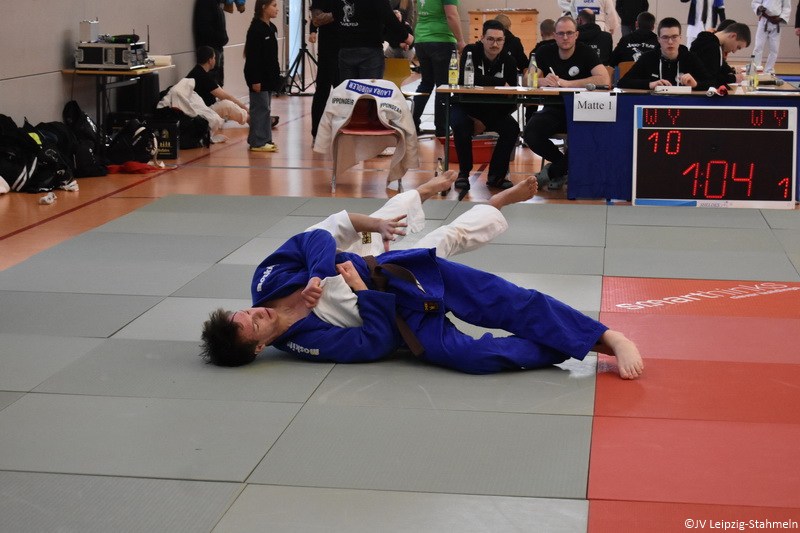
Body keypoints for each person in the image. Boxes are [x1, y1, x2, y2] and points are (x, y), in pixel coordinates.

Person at [200, 172, 645, 379]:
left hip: (397, 271)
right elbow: (373, 343)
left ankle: (607, 336)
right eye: (252, 325)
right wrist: (360, 292)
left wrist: (320, 275)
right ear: (258, 348)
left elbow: (313, 237)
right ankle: (567, 344)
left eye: (245, 313)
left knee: (500, 298)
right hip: (401, 318)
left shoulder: (267, 282)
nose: (255, 313)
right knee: (468, 357)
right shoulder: (305, 343)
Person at [525, 16, 610, 191]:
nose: (565, 37)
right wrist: (542, 81)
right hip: (554, 109)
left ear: (576, 35)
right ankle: (562, 168)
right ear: (554, 35)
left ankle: (553, 171)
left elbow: (604, 79)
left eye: (569, 33)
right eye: (561, 33)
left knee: (584, 139)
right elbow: (527, 80)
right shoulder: (544, 51)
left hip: (582, 110)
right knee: (531, 133)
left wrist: (567, 83)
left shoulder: (586, 52)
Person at [450, 20, 519, 193]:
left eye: (499, 40)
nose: (495, 44)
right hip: (466, 108)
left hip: (493, 112)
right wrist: (499, 82)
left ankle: (496, 175)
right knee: (460, 125)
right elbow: (466, 80)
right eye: (490, 39)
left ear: (504, 40)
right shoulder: (470, 52)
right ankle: (463, 174)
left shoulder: (510, 61)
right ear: (482, 38)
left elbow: (513, 97)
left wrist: (485, 122)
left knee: (512, 128)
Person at [412, 0, 467, 136]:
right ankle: (442, 130)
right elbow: (451, 15)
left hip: (421, 39)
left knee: (426, 83)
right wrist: (460, 41)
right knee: (444, 86)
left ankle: (412, 123)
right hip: (441, 40)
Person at [617, 17, 713, 91]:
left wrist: (696, 84)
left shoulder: (691, 58)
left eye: (674, 37)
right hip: (655, 104)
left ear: (680, 38)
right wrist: (650, 84)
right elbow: (622, 82)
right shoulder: (647, 58)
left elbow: (712, 83)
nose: (670, 42)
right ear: (658, 39)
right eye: (665, 37)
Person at [334, 0, 413, 79]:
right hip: (369, 48)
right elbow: (387, 16)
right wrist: (405, 36)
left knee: (349, 85)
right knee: (369, 86)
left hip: (346, 47)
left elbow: (335, 14)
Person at [186, 46, 249, 139]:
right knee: (227, 105)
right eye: (214, 58)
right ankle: (252, 120)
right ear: (210, 60)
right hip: (201, 114)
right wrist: (246, 109)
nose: (215, 60)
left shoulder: (197, 72)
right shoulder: (203, 76)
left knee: (225, 103)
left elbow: (221, 92)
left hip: (200, 111)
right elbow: (226, 97)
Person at [244, 0, 281, 152]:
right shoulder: (256, 29)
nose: (277, 9)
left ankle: (265, 139)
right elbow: (253, 58)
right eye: (274, 5)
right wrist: (255, 80)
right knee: (259, 108)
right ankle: (257, 142)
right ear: (264, 7)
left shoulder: (272, 28)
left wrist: (276, 76)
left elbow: (272, 56)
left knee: (266, 108)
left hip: (269, 76)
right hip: (258, 77)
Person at [310, 0, 340, 141]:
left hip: (347, 50)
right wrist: (339, 13)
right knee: (322, 91)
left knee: (345, 93)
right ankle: (317, 133)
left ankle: (342, 132)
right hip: (328, 51)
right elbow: (316, 19)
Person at [690, 22, 750, 87]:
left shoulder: (713, 44)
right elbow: (712, 79)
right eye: (738, 47)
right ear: (733, 36)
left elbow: (720, 68)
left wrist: (733, 72)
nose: (734, 51)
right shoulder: (710, 46)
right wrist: (734, 78)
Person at [193, 0, 229, 87]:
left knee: (218, 83)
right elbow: (205, 30)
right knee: (213, 84)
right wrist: (223, 39)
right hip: (211, 49)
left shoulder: (215, 3)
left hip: (216, 47)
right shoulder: (207, 3)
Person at [752, 0, 792, 74]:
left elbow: (787, 7)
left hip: (776, 21)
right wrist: (759, 7)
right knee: (758, 46)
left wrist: (781, 18)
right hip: (764, 19)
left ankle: (769, 70)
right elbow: (755, 2)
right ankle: (756, 68)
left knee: (774, 49)